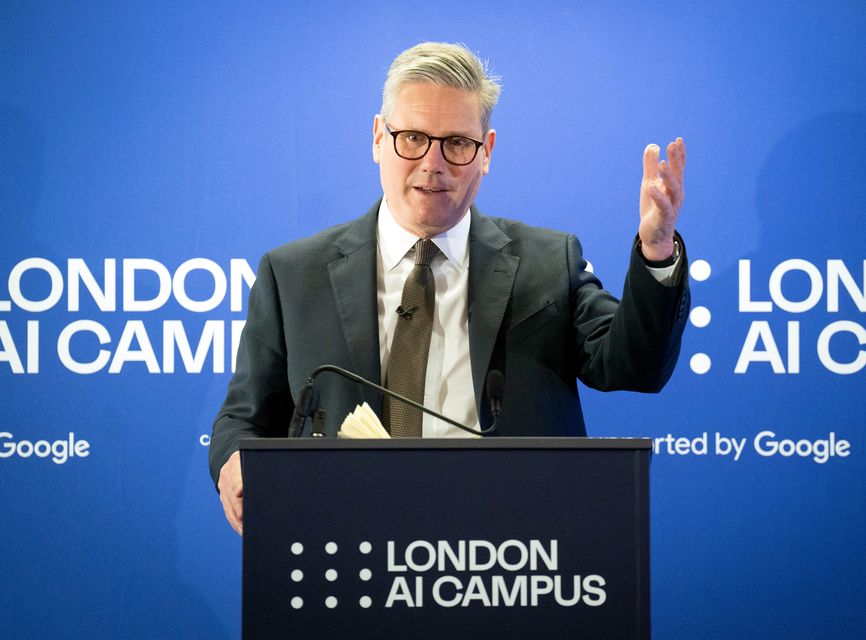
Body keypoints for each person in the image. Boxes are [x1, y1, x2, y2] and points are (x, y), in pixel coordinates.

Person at [210, 42, 690, 535]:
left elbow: (636, 365)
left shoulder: (548, 262)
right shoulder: (293, 275)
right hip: (346, 545)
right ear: (378, 137)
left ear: (487, 152)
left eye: (457, 143)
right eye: (412, 137)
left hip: (517, 558)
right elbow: (243, 420)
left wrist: (656, 250)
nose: (432, 163)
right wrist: (233, 462)